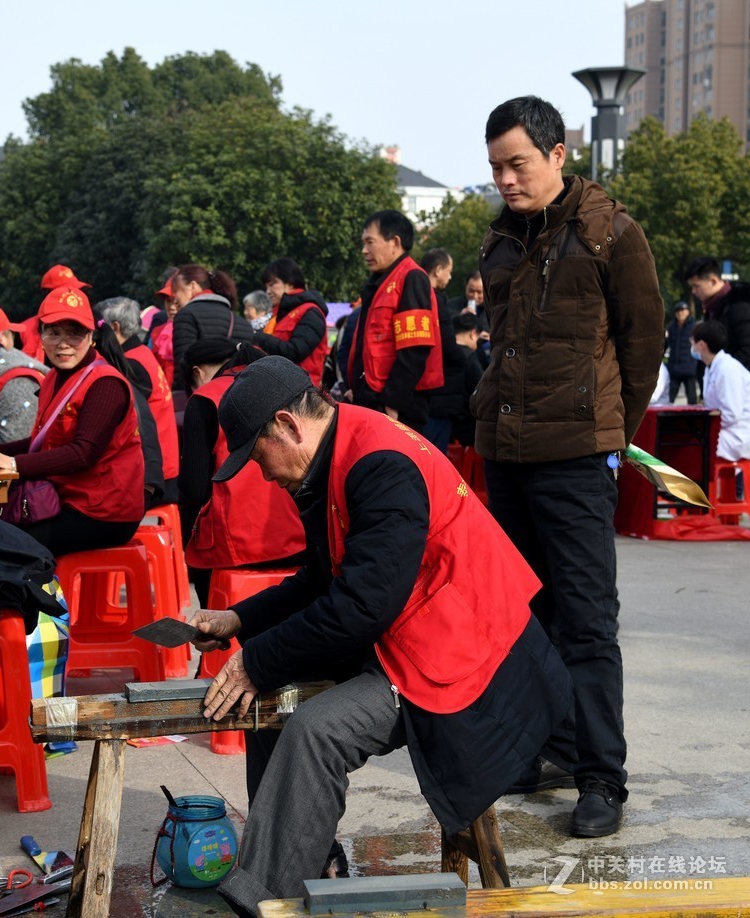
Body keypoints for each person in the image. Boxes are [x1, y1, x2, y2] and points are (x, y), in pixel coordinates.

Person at [185, 357, 570, 915]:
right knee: (269, 700)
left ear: (288, 426)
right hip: (407, 627)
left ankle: (263, 902)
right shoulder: (338, 448)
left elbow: (360, 607)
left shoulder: (380, 463)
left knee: (314, 730)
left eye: (258, 456)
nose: (262, 475)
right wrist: (240, 621)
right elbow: (324, 578)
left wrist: (255, 660)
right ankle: (305, 862)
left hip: (464, 649)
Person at [476, 95, 663, 837]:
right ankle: (547, 746)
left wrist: (606, 431)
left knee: (587, 622)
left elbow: (642, 348)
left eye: (518, 164)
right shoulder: (499, 241)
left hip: (578, 458)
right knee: (523, 617)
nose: (506, 180)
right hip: (506, 454)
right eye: (496, 167)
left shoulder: (611, 233)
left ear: (558, 155)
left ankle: (601, 777)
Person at [0, 287, 145, 556]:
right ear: (41, 336)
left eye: (74, 333)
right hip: (65, 499)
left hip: (103, 512)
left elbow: (83, 453)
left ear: (91, 337)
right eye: (54, 333)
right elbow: (43, 441)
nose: (63, 343)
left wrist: (12, 463)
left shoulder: (105, 384)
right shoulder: (54, 378)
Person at [178, 340, 305, 603]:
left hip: (233, 550)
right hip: (300, 544)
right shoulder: (288, 388)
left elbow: (194, 489)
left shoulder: (205, 399)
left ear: (197, 373)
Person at [348, 210, 443, 429]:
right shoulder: (380, 281)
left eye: (370, 242)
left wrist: (392, 402)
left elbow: (415, 348)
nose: (364, 250)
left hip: (396, 406)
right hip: (371, 397)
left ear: (395, 242)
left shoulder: (411, 277)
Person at [97, 295, 180, 503]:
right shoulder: (141, 352)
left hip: (153, 477)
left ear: (115, 327)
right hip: (162, 466)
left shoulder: (131, 364)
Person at [170, 264, 254, 390]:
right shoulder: (243, 323)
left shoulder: (186, 315)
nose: (175, 300)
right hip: (237, 393)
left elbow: (182, 368)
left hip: (203, 395)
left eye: (176, 290)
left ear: (193, 286)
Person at [254, 257, 330, 385]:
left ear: (290, 283)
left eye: (272, 285)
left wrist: (259, 337)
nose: (268, 291)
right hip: (277, 386)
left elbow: (296, 352)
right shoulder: (279, 314)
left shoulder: (311, 312)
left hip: (302, 390)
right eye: (266, 286)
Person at [692, 320, 750, 464]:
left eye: (692, 342)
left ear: (701, 345)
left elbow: (732, 414)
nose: (691, 347)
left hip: (738, 433)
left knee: (692, 443)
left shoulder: (727, 369)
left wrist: (706, 424)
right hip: (727, 430)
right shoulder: (712, 367)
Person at [419, 248, 459, 451]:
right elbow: (449, 347)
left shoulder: (415, 294)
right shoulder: (435, 300)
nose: (450, 277)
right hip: (438, 393)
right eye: (449, 271)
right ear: (438, 270)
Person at [427, 313, 484, 453]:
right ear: (473, 334)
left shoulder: (437, 352)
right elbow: (481, 391)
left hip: (434, 417)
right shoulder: (470, 358)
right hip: (462, 426)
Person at [684, 256, 750, 370]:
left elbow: (747, 348)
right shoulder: (711, 307)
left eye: (696, 286)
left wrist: (722, 372)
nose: (693, 291)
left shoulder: (739, 305)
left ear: (713, 281)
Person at [665, 302, 699, 404]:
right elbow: (665, 344)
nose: (680, 313)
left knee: (692, 399)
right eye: (678, 311)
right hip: (674, 368)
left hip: (689, 367)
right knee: (668, 398)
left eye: (683, 310)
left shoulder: (694, 327)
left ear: (688, 311)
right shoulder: (671, 327)